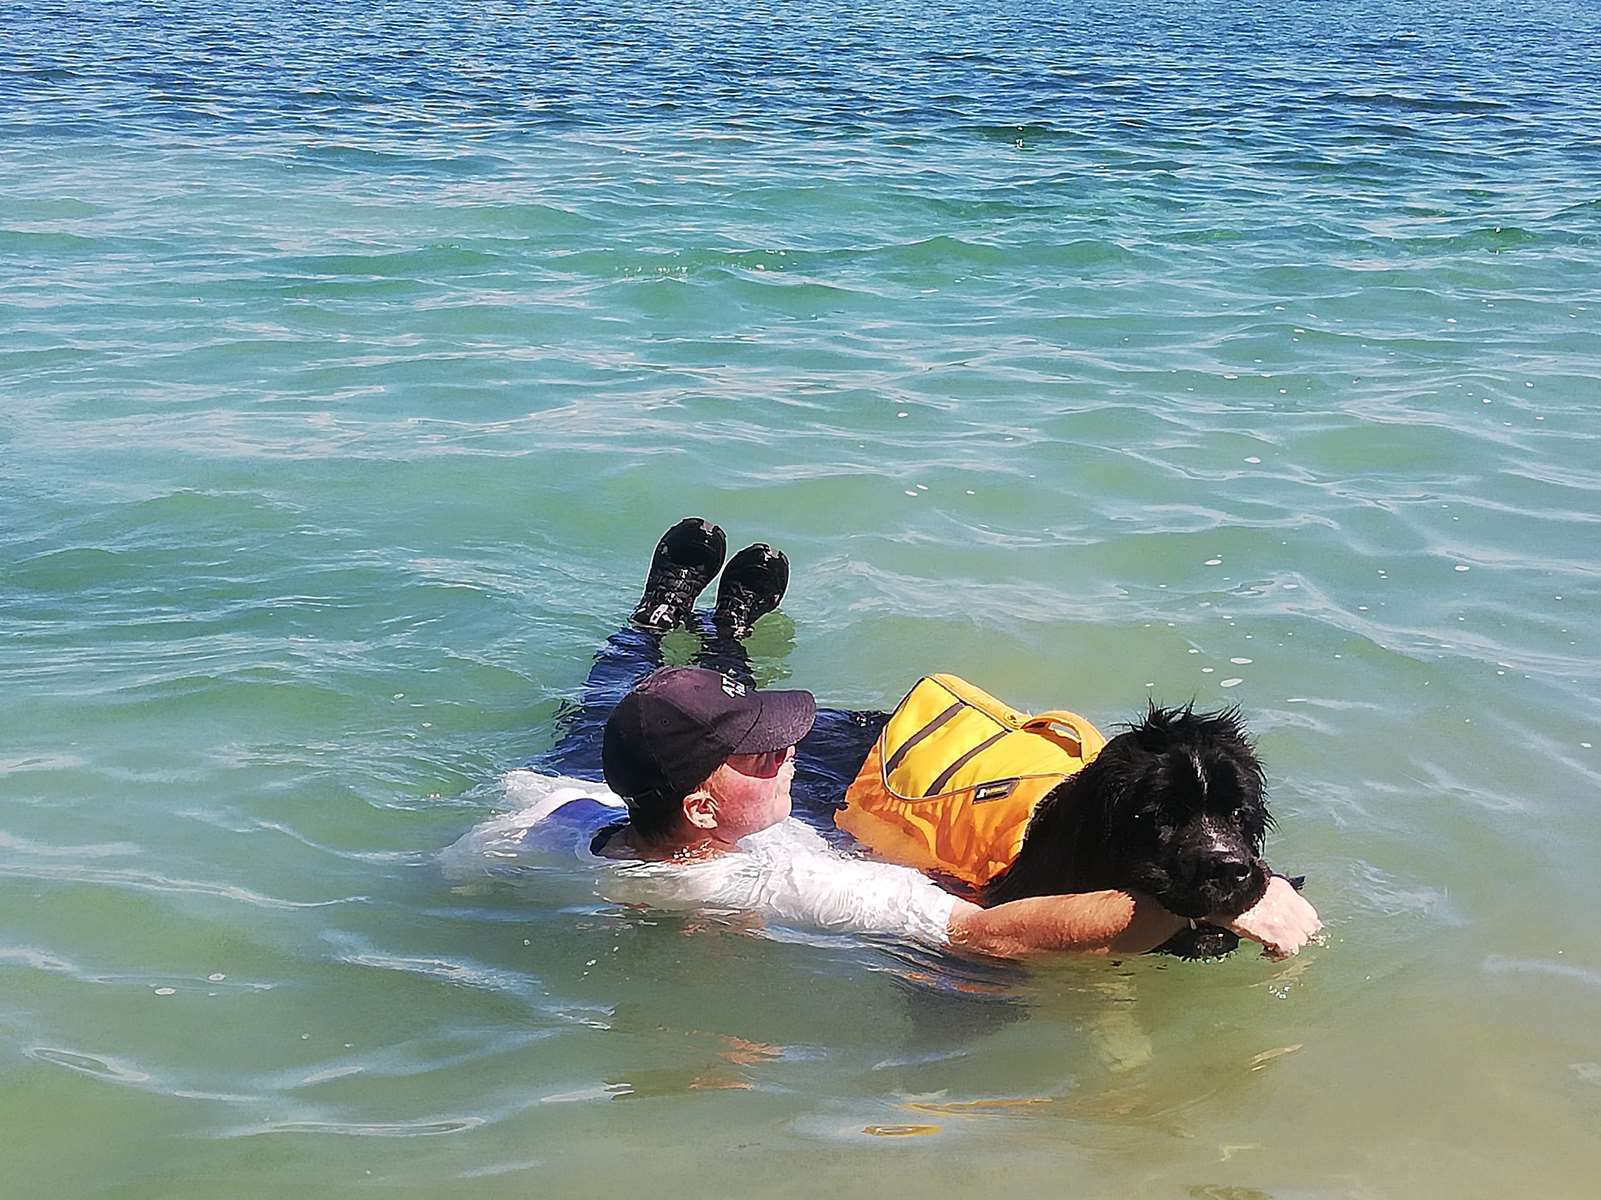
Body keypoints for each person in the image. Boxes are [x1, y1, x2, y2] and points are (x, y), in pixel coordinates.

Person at [522, 518, 1322, 959]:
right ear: (702, 808)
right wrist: (1226, 902)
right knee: (651, 700)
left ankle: (667, 618)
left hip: (587, 777)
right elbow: (981, 935)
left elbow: (466, 867)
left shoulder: (533, 820)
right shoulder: (786, 880)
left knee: (614, 698)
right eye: (763, 755)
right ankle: (719, 635)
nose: (788, 753)